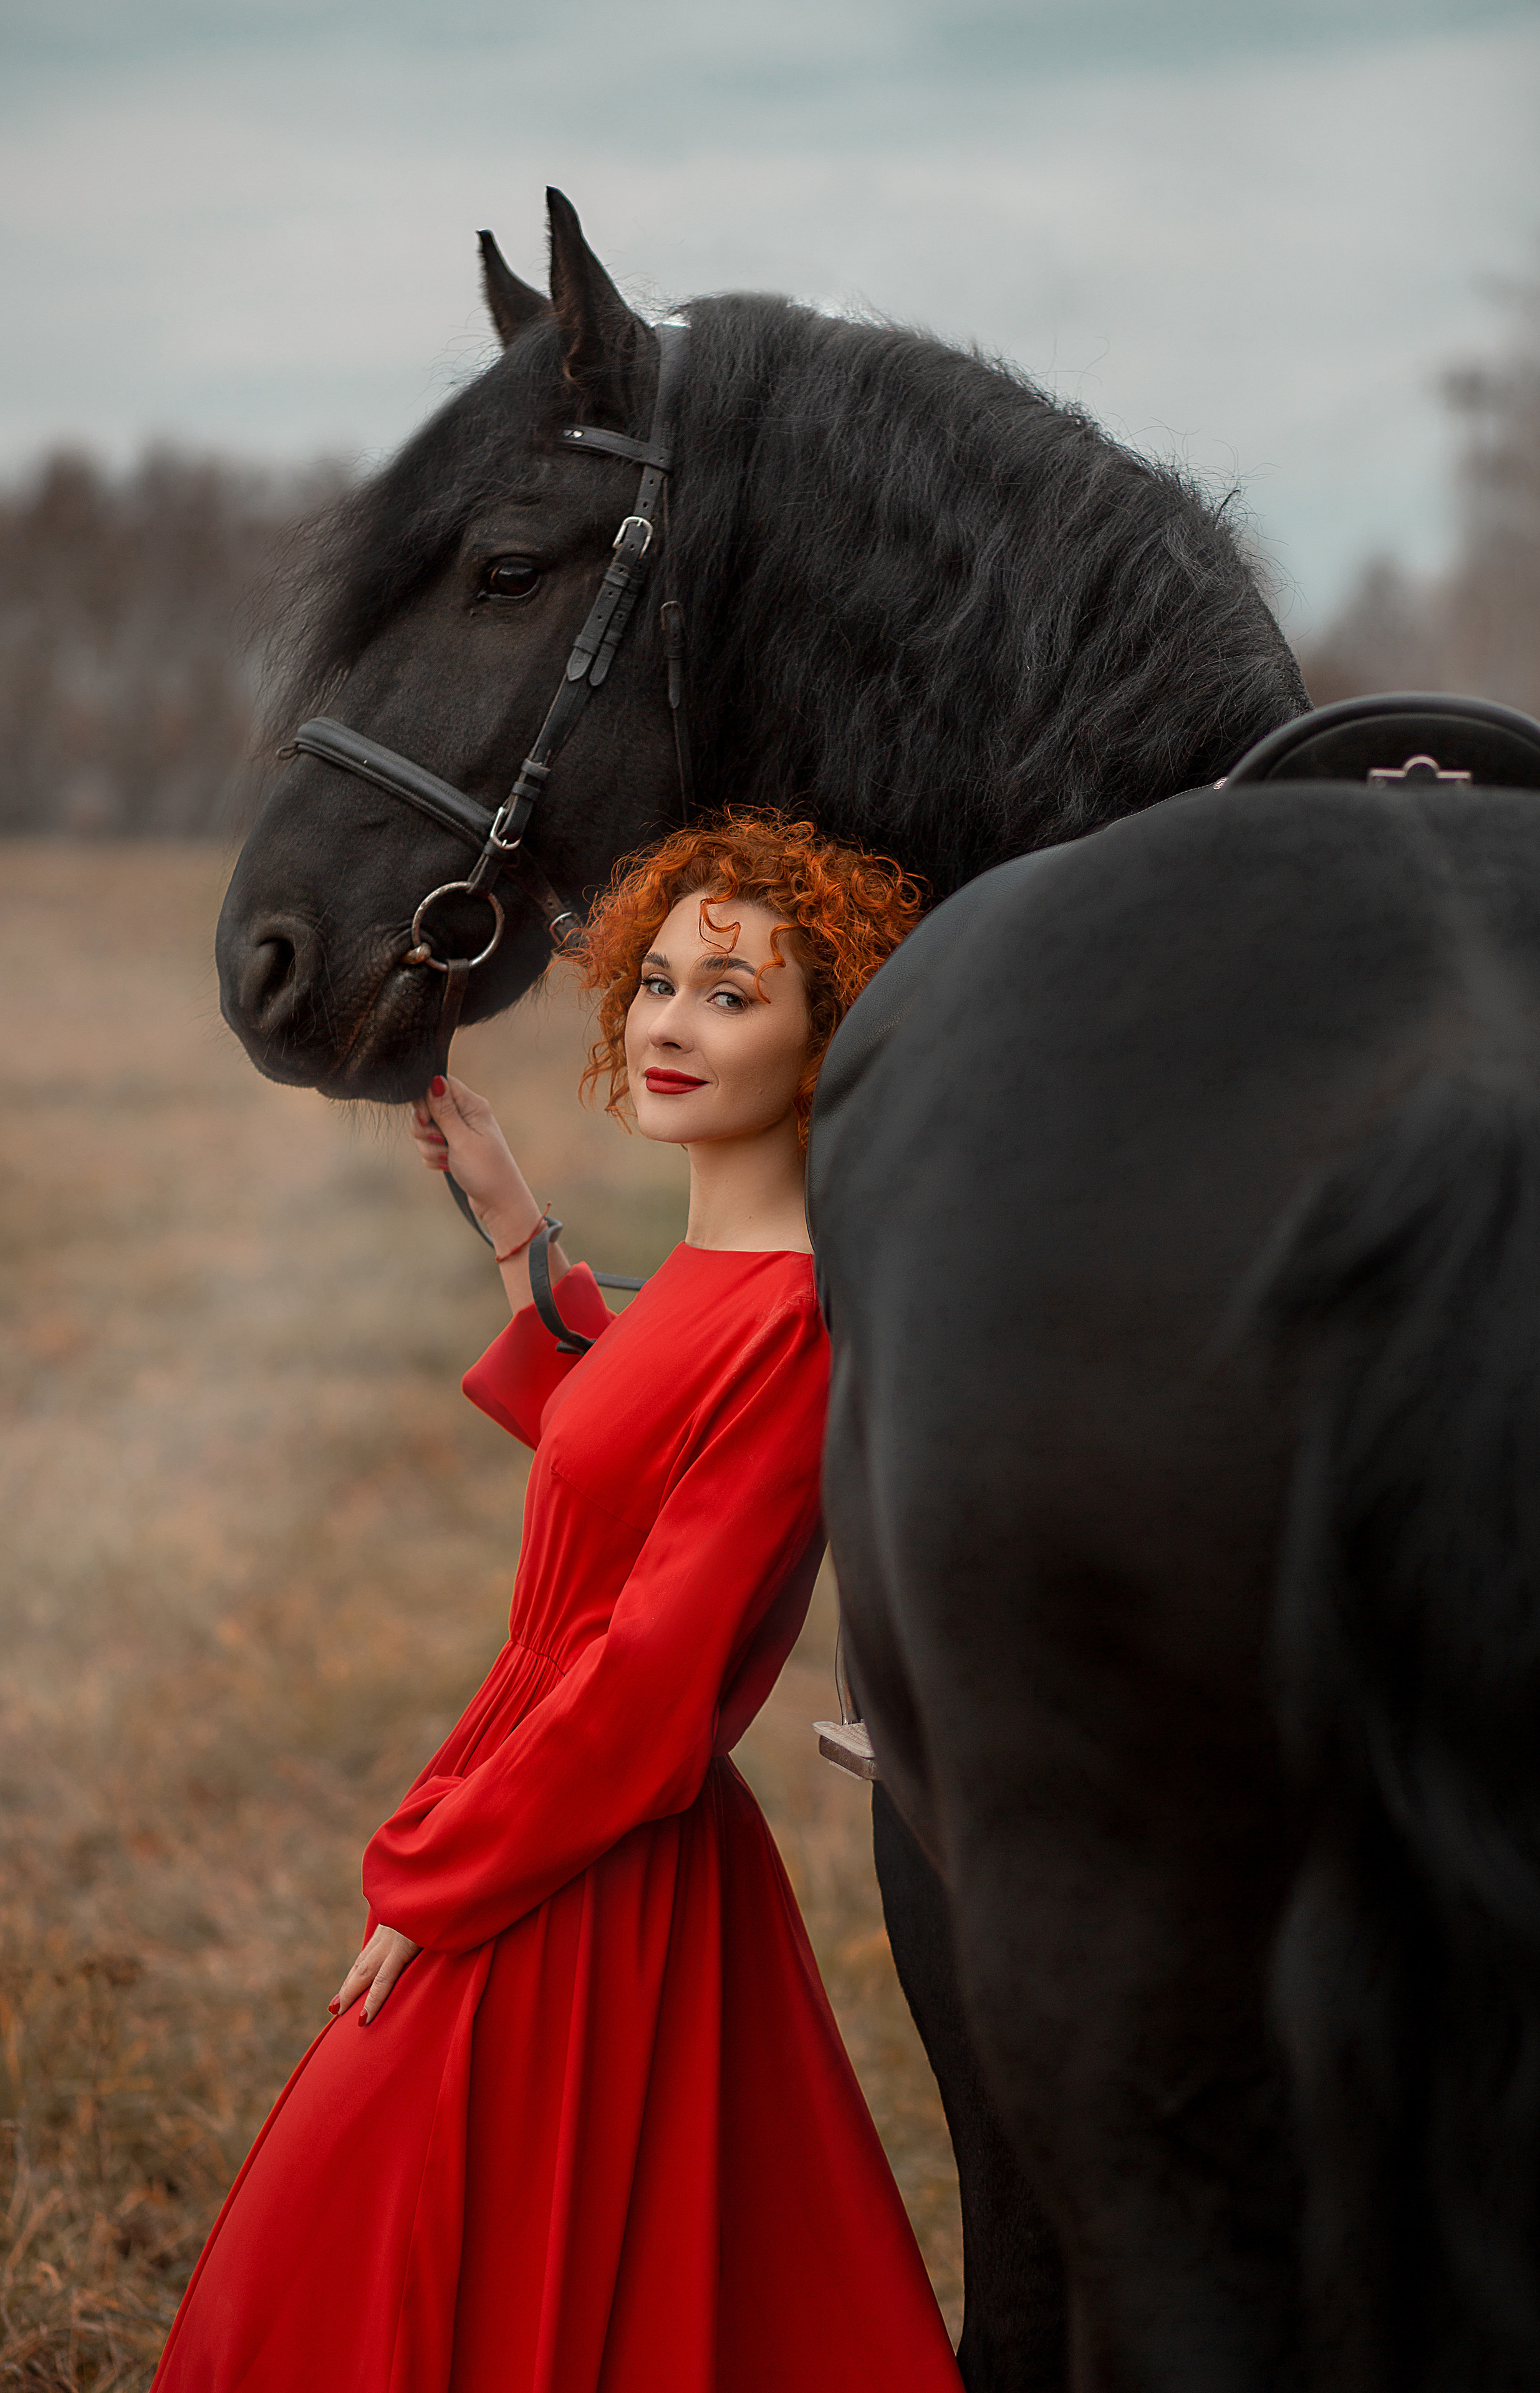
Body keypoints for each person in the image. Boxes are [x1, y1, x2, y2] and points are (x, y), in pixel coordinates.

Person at [152, 812, 963, 2393]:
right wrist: (521, 1228)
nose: (669, 1023)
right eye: (658, 981)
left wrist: (434, 1871)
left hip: (590, 1836)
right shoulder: (720, 1269)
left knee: (374, 2208)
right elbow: (630, 1432)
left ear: (822, 1042)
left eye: (734, 997)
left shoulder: (794, 1309)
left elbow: (656, 1667)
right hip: (553, 1786)